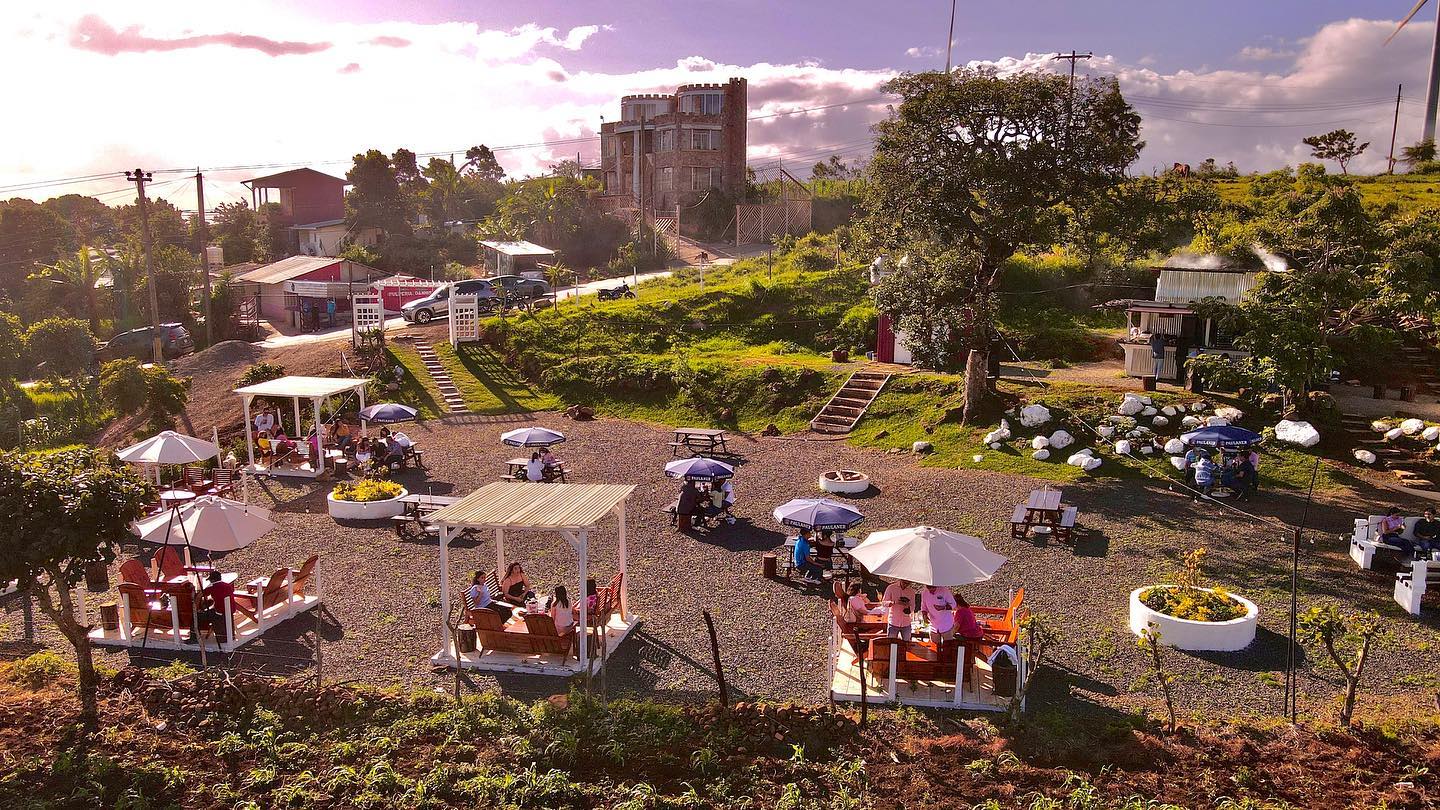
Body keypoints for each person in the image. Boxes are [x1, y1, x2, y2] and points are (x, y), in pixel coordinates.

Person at [188, 571, 235, 644]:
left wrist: (196, 609)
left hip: (219, 613)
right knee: (212, 610)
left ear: (212, 580)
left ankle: (194, 638)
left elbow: (200, 595)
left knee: (196, 617)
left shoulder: (212, 587)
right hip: (230, 610)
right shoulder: (228, 585)